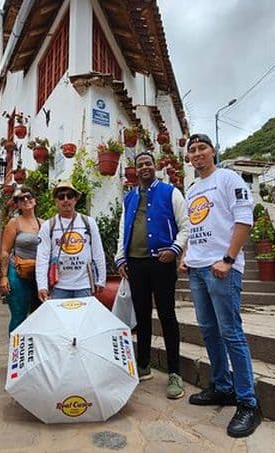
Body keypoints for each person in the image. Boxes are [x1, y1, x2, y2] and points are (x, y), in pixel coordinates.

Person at [182, 133, 261, 438]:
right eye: (192, 150)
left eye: (202, 148)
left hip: (221, 269)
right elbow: (195, 225)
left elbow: (244, 220)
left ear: (213, 151)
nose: (197, 153)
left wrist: (228, 259)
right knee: (209, 331)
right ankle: (222, 386)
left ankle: (248, 402)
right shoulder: (192, 190)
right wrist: (187, 255)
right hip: (198, 269)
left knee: (231, 333)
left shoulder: (229, 179)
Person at [114, 151, 188, 399]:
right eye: (140, 164)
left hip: (162, 263)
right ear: (135, 170)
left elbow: (186, 225)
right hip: (135, 264)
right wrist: (120, 258)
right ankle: (143, 365)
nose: (144, 167)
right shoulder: (129, 197)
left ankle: (175, 373)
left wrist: (175, 249)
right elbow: (123, 230)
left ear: (155, 167)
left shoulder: (170, 192)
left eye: (148, 163)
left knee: (167, 316)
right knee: (142, 316)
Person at [36, 181, 106, 301]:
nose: (66, 200)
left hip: (84, 285)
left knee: (84, 314)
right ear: (56, 201)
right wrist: (42, 286)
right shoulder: (48, 226)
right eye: (61, 197)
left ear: (75, 199)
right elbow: (42, 257)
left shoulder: (88, 223)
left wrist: (101, 279)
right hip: (58, 286)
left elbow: (98, 252)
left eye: (69, 196)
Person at [0, 187, 43, 332]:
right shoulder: (14, 223)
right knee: (19, 315)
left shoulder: (44, 223)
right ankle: (15, 345)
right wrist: (3, 277)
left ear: (35, 200)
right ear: (17, 204)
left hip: (38, 274)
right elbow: (5, 251)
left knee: (39, 316)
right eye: (21, 199)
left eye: (29, 196)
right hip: (17, 272)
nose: (26, 200)